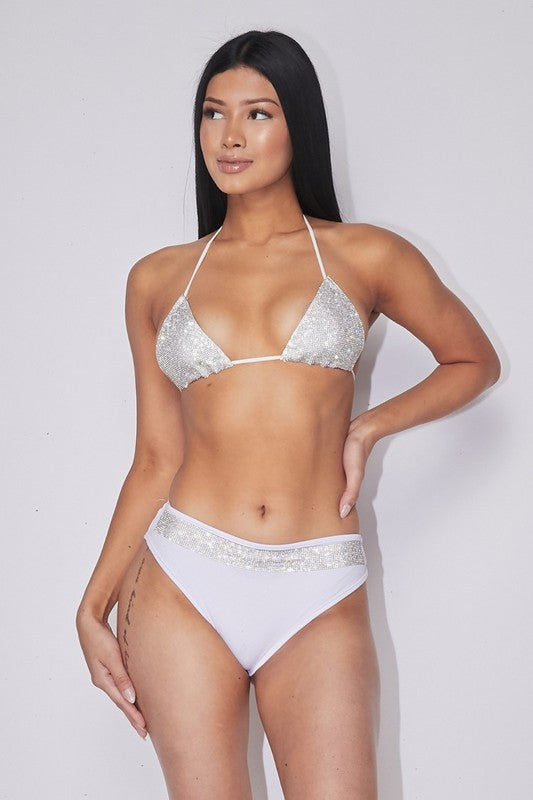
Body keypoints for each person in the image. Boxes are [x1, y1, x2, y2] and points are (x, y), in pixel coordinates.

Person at [76, 29, 500, 800]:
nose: (229, 136)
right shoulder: (157, 279)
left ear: (297, 123)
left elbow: (472, 361)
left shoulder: (365, 256)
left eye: (257, 113)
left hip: (317, 583)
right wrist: (92, 604)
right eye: (213, 113)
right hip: (182, 578)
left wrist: (368, 427)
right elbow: (156, 458)